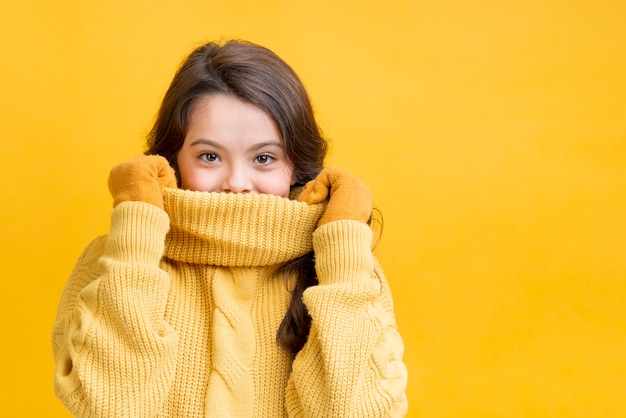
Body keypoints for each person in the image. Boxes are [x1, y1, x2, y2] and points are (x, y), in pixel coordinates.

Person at [52, 39, 408, 417]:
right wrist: (136, 239)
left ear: (295, 165)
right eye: (209, 156)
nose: (237, 181)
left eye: (264, 157)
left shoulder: (344, 267)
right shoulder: (116, 258)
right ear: (172, 159)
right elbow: (105, 407)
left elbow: (360, 412)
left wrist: (344, 248)